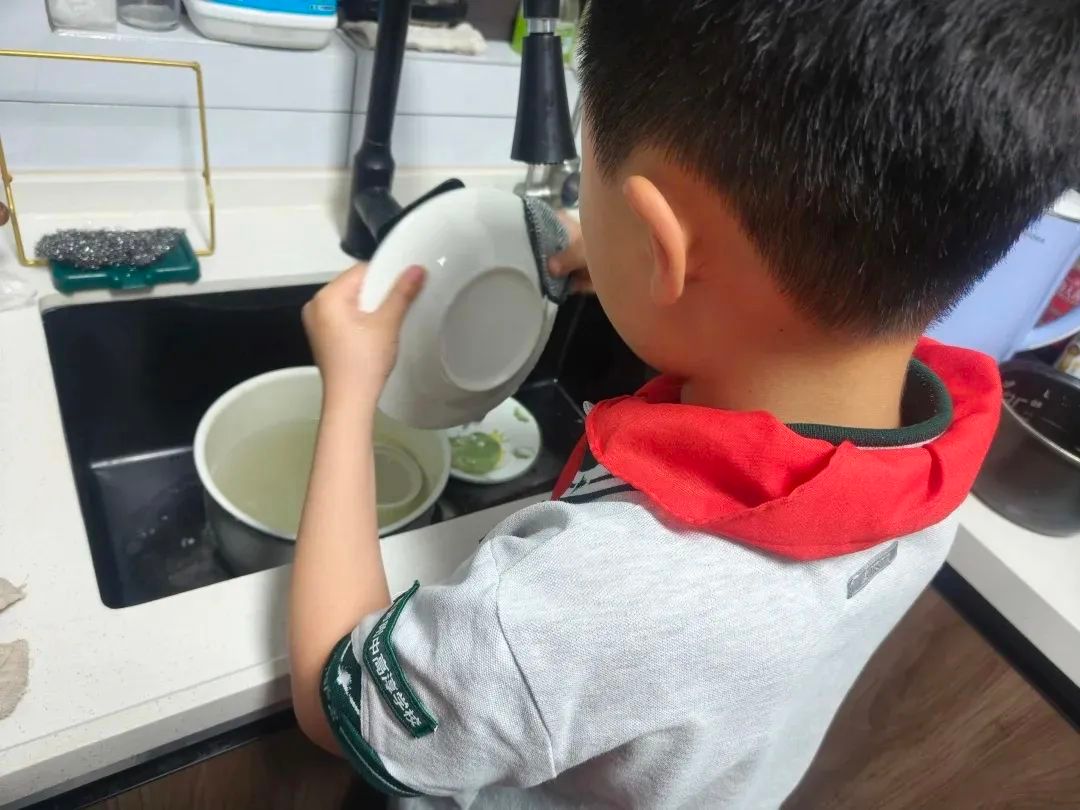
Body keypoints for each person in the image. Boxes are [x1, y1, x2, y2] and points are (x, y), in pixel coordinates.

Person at [289, 1, 1080, 807]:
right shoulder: (936, 461)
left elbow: (336, 700)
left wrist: (349, 392)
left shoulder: (565, 610)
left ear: (659, 243)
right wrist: (636, 264)